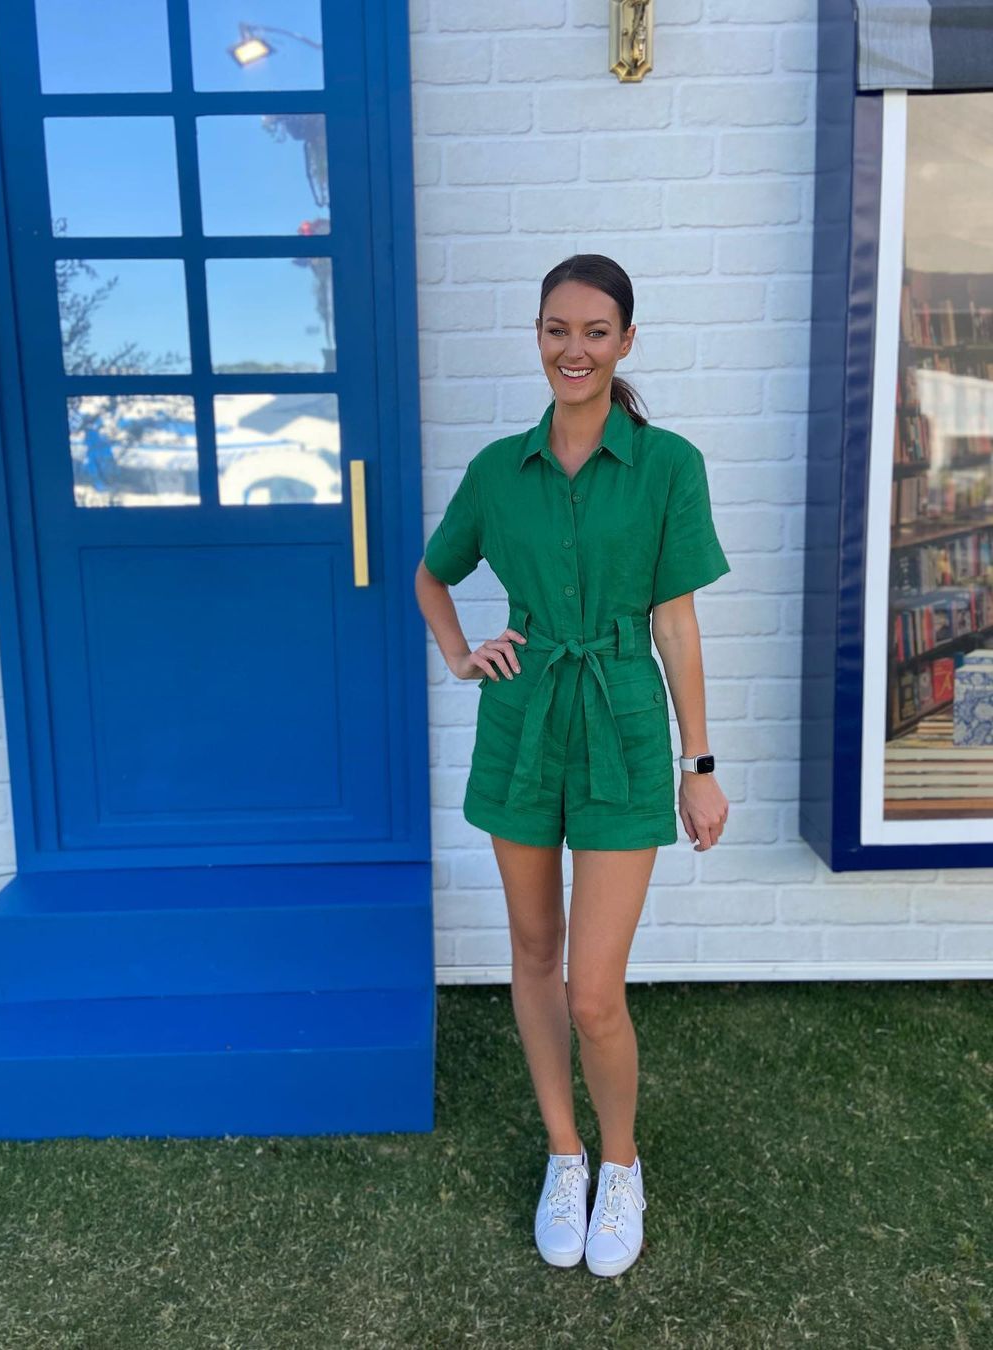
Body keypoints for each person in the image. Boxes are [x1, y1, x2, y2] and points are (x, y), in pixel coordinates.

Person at [415, 253, 730, 1278]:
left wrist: (699, 762)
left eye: (596, 331)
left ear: (626, 341)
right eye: (558, 329)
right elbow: (432, 572)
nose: (575, 348)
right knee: (532, 949)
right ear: (538, 336)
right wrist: (462, 655)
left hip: (624, 726)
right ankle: (565, 1153)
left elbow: (676, 624)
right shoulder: (498, 471)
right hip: (521, 720)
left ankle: (621, 1163)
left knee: (594, 991)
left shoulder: (669, 465)